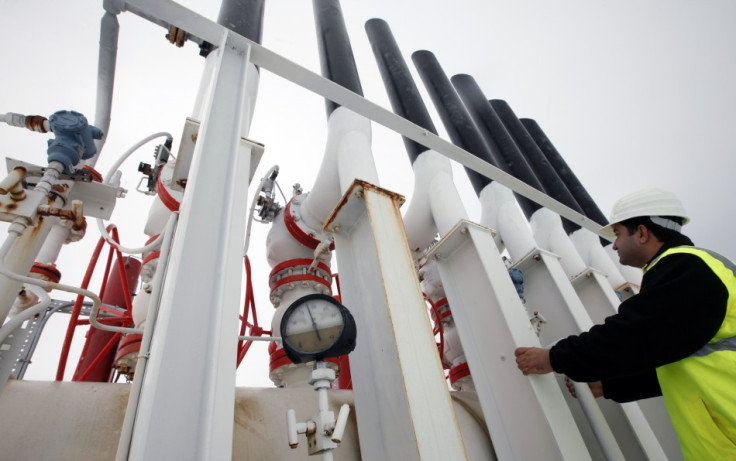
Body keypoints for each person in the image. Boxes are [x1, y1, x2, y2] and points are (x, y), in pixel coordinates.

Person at [514, 188, 736, 460]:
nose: (615, 245)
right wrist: (609, 386)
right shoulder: (702, 270)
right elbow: (677, 359)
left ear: (642, 233)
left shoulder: (686, 268)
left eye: (618, 234)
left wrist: (554, 357)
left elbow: (634, 335)